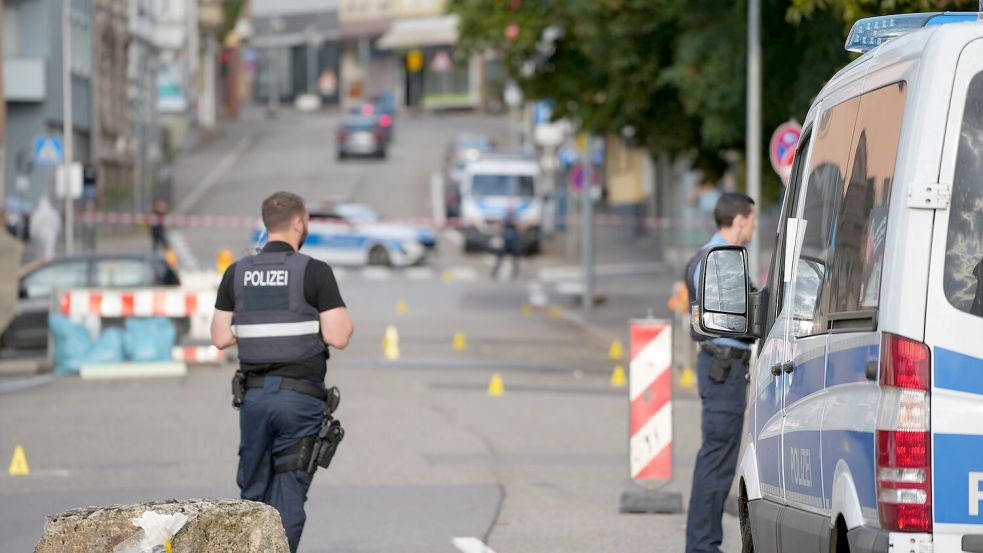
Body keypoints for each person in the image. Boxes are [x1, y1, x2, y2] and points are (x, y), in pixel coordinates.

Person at [210, 191, 354, 553]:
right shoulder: (313, 271)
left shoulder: (237, 272)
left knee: (253, 497)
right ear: (298, 222)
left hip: (254, 400)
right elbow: (339, 336)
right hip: (299, 401)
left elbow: (220, 336)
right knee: (287, 501)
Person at [684, 192, 757, 553]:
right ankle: (702, 546)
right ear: (740, 219)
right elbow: (737, 319)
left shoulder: (711, 256)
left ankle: (702, 544)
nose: (754, 227)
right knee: (716, 462)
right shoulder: (722, 261)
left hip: (720, 365)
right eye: (753, 220)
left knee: (716, 460)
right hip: (724, 367)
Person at [491, 214, 521, 280]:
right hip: (506, 243)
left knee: (515, 261)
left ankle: (515, 275)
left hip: (513, 244)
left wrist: (515, 224)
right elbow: (500, 227)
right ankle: (494, 274)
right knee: (499, 260)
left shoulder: (515, 221)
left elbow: (519, 228)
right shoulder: (505, 221)